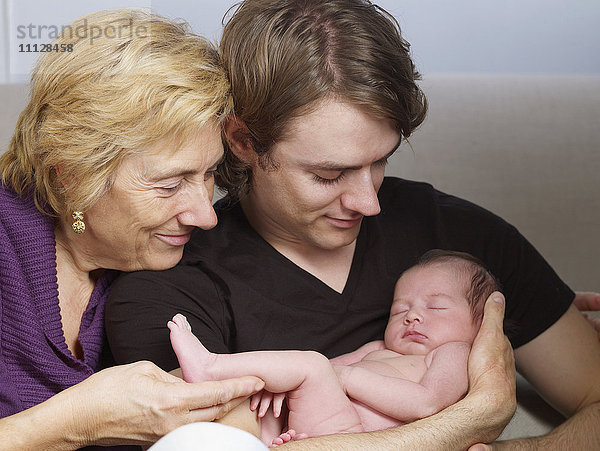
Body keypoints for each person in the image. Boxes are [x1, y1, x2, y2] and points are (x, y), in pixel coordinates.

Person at [106, 0, 600, 448]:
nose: (368, 202)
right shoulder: (171, 289)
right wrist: (473, 418)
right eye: (329, 175)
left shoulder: (461, 240)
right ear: (242, 141)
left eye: (380, 161)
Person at [0, 10, 265, 449]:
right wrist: (81, 419)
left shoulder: (160, 266)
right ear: (73, 176)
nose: (206, 215)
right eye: (170, 183)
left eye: (209, 174)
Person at [168, 250, 500, 447]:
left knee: (311, 366)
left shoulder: (454, 353)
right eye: (401, 308)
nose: (412, 315)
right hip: (317, 429)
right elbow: (329, 373)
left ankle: (212, 367)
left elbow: (426, 403)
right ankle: (256, 439)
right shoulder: (377, 347)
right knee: (268, 401)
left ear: (482, 324)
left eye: (436, 307)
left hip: (355, 438)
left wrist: (340, 377)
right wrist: (285, 386)